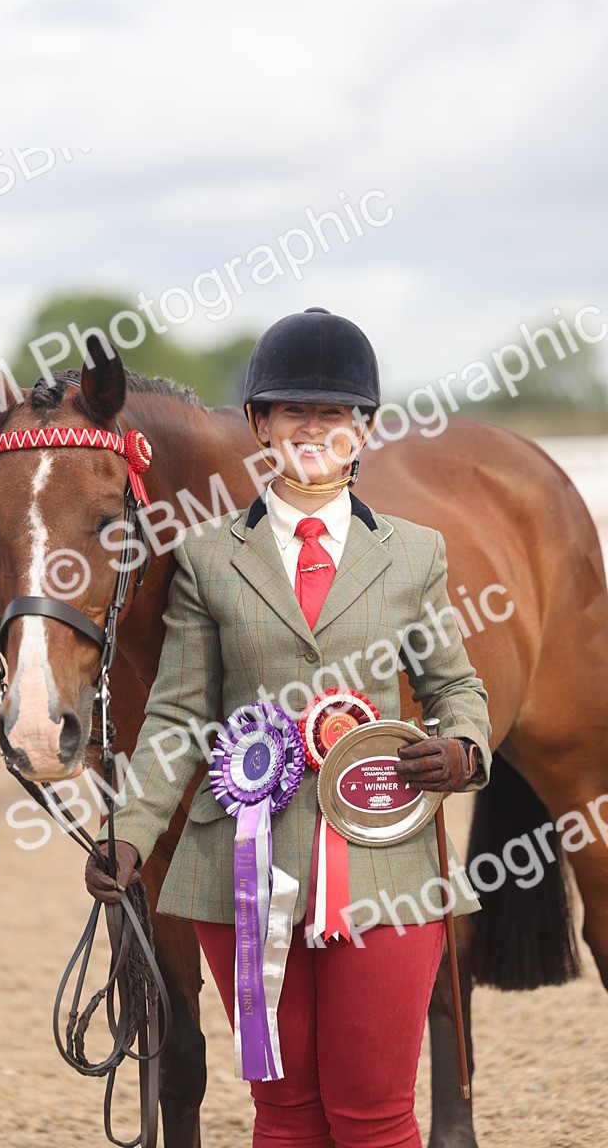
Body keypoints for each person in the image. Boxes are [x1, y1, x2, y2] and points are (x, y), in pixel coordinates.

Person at [86, 307, 491, 1148]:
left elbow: (455, 685)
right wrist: (130, 832)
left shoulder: (415, 554)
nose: (314, 427)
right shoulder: (205, 557)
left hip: (384, 860)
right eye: (293, 411)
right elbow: (176, 711)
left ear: (363, 430)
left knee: (375, 1116)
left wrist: (462, 749)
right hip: (244, 869)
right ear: (260, 427)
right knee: (286, 1115)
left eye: (334, 412)